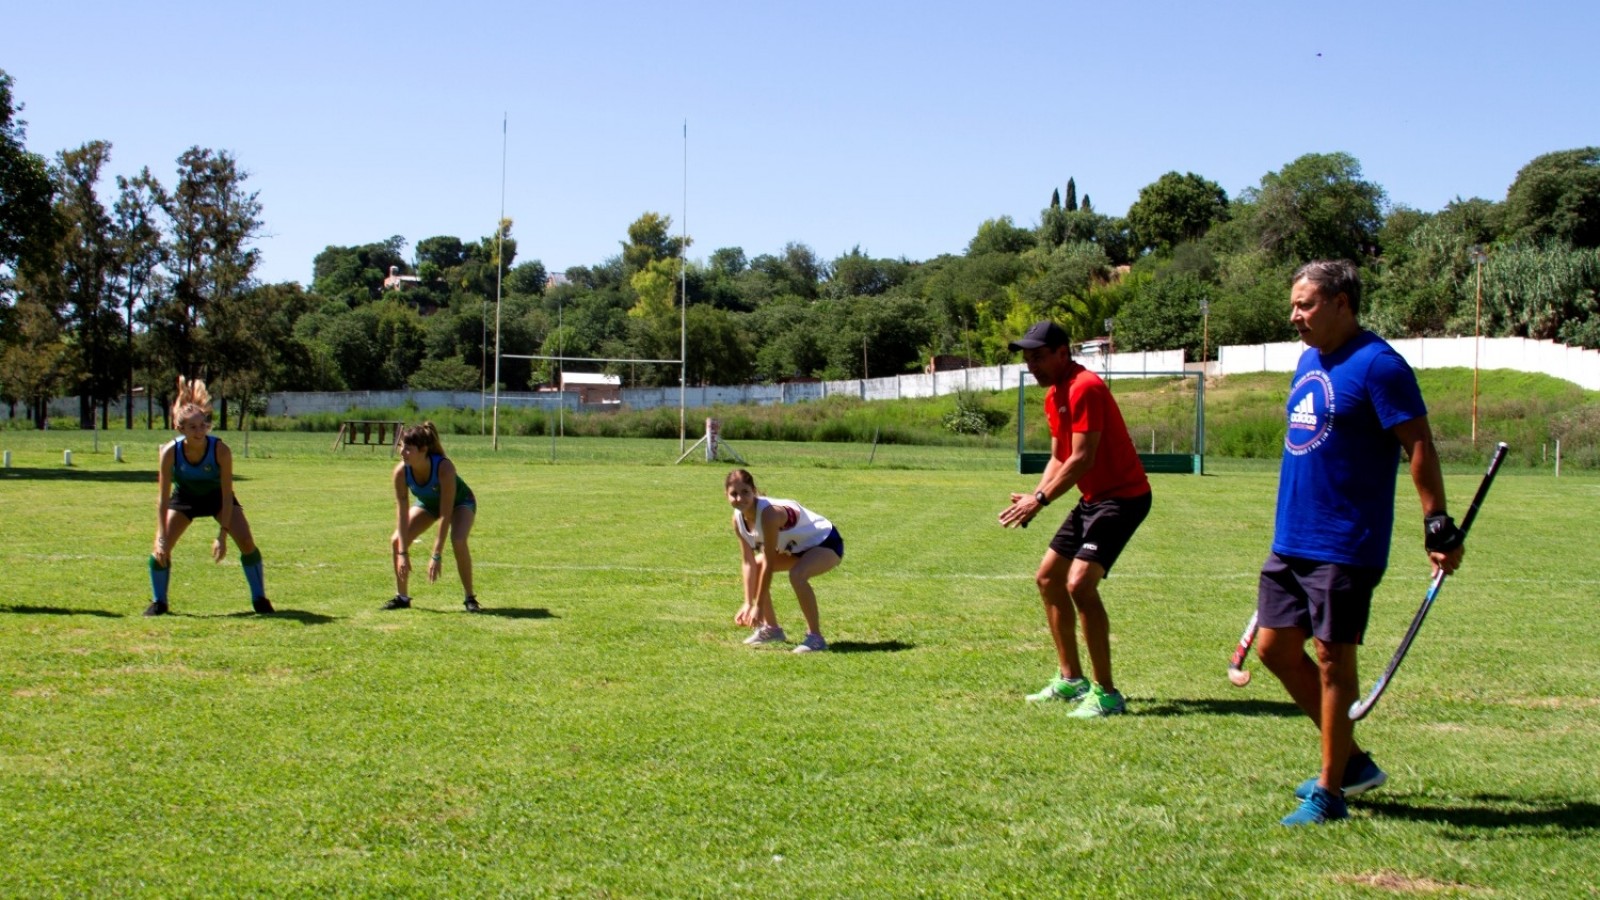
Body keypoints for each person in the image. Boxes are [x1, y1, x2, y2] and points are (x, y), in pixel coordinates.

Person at [1257, 260, 1466, 826]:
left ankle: (1330, 792)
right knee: (1274, 649)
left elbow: (1417, 442)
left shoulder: (1380, 365)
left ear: (1342, 303)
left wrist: (1437, 522)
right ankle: (1350, 762)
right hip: (1292, 536)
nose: (1294, 315)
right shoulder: (1308, 360)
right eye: (1294, 304)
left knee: (1331, 659)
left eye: (1305, 305)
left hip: (1345, 541)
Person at [999, 321, 1152, 718]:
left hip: (1123, 498)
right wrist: (1035, 494)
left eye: (1039, 356)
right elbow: (1059, 456)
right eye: (1028, 358)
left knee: (1080, 584)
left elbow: (1083, 456)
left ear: (1063, 352)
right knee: (1048, 578)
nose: (1032, 365)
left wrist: (1041, 499)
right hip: (1093, 498)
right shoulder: (1054, 394)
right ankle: (1071, 679)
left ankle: (1106, 694)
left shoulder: (1086, 388)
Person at [147, 376, 273, 616]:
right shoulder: (169, 452)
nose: (199, 431)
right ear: (180, 429)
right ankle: (158, 602)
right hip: (185, 497)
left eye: (202, 425)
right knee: (159, 551)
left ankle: (260, 599)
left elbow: (227, 496)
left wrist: (222, 535)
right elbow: (163, 499)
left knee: (246, 543)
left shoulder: (221, 450)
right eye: (192, 427)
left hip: (217, 498)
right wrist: (161, 536)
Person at [725, 469, 842, 653]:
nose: (739, 498)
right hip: (795, 548)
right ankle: (772, 630)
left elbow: (770, 563)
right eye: (734, 494)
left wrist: (758, 606)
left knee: (797, 575)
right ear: (726, 496)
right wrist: (748, 602)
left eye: (745, 492)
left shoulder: (768, 515)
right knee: (756, 564)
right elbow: (748, 563)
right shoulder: (737, 519)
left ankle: (816, 638)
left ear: (754, 491)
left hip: (826, 542)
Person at [387, 422, 481, 613]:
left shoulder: (444, 468)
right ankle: (402, 597)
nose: (402, 452)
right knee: (397, 540)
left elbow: (446, 515)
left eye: (408, 449)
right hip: (428, 504)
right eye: (402, 447)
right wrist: (403, 553)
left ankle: (470, 598)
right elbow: (402, 512)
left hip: (460, 503)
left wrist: (436, 555)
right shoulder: (401, 472)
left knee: (458, 539)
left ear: (423, 450)